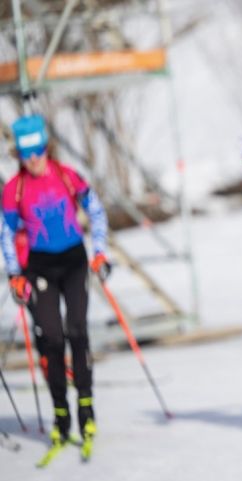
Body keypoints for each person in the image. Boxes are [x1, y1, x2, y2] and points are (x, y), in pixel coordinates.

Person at [1, 114, 110, 451]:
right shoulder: (14, 188)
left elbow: (96, 210)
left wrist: (100, 252)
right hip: (40, 267)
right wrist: (15, 274)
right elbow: (5, 231)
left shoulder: (66, 174)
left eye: (38, 151)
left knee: (77, 331)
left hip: (75, 261)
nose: (33, 160)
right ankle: (61, 415)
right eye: (26, 154)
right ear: (18, 154)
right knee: (51, 338)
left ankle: (86, 409)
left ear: (46, 148)